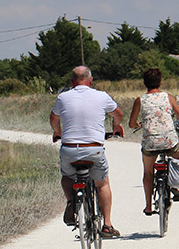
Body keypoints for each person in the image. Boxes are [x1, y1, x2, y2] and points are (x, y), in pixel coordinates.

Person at [50, 66, 125, 238]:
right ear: (91, 81)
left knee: (67, 177)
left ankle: (71, 202)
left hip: (69, 149)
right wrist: (115, 126)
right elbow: (118, 113)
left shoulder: (63, 97)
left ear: (71, 82)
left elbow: (53, 118)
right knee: (102, 183)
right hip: (93, 149)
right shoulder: (101, 96)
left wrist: (57, 131)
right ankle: (107, 225)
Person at [128, 68, 179, 216]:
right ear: (160, 82)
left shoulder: (140, 100)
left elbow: (131, 123)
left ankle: (149, 206)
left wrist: (138, 125)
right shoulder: (169, 97)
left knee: (148, 172)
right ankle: (174, 185)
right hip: (169, 141)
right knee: (176, 161)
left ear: (144, 83)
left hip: (150, 143)